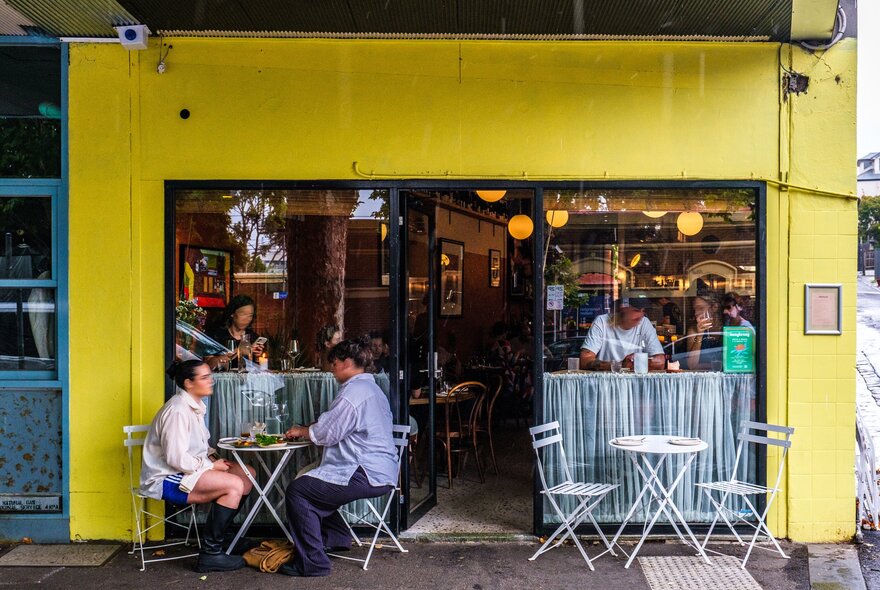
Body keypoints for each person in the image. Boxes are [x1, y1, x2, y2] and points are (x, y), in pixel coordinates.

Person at [280, 338, 397, 577]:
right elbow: (337, 425)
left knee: (299, 490)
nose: (331, 369)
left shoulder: (353, 393)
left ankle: (313, 563)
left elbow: (327, 432)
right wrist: (311, 428)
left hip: (364, 472)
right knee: (312, 483)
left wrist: (302, 430)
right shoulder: (371, 388)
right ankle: (336, 538)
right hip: (381, 470)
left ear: (347, 362)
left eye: (333, 363)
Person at [140, 359, 256, 572]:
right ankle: (211, 554)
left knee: (247, 474)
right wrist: (211, 467)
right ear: (188, 383)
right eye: (204, 377)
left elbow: (197, 447)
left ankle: (224, 537)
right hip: (166, 477)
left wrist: (213, 458)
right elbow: (176, 459)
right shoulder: (177, 411)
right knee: (234, 485)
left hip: (188, 470)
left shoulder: (194, 406)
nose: (211, 381)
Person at [579, 298, 665, 371]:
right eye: (636, 310)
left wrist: (637, 362)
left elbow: (660, 362)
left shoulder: (644, 323)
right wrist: (619, 365)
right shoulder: (602, 321)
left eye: (643, 311)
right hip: (607, 380)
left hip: (635, 381)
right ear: (623, 308)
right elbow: (585, 360)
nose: (641, 315)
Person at [206, 294, 265, 370]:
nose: (247, 319)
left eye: (250, 315)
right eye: (243, 314)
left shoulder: (253, 338)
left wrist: (257, 357)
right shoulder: (216, 335)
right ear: (232, 314)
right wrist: (239, 351)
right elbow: (209, 364)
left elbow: (258, 368)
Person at [686, 294, 724, 370]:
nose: (696, 313)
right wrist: (700, 334)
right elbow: (691, 365)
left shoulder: (726, 328)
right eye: (695, 309)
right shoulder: (693, 330)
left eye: (700, 308)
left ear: (714, 307)